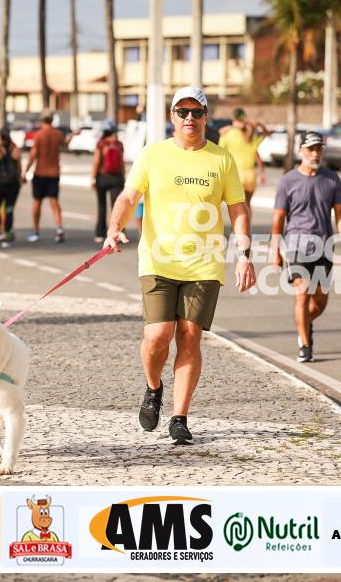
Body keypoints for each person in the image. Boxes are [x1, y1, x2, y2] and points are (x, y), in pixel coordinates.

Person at [104, 85, 256, 445]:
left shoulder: (221, 159)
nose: (190, 118)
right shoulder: (153, 154)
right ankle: (153, 387)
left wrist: (244, 254)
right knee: (157, 337)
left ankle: (179, 417)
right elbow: (129, 196)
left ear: (206, 117)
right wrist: (114, 228)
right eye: (183, 112)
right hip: (158, 260)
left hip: (204, 265)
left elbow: (238, 208)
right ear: (172, 116)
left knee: (190, 336)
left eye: (196, 112)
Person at [272, 131, 341, 363]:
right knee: (302, 293)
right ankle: (305, 346)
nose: (315, 153)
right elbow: (278, 218)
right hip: (296, 246)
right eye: (310, 149)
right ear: (301, 151)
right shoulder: (287, 181)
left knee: (320, 300)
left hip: (324, 246)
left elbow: (340, 213)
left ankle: (304, 325)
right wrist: (275, 250)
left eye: (319, 149)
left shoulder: (331, 179)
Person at [23, 113, 65, 242]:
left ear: (42, 121)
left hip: (40, 172)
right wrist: (73, 135)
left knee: (37, 201)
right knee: (54, 201)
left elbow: (33, 154)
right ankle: (59, 228)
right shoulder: (58, 134)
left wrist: (25, 172)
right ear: (52, 120)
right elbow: (65, 144)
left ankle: (36, 230)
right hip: (54, 173)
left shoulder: (39, 135)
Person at [219, 108, 266, 210]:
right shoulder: (250, 136)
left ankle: (241, 221)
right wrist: (262, 172)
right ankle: (248, 221)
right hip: (251, 175)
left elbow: (220, 155)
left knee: (239, 206)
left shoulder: (227, 133)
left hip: (237, 175)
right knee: (248, 204)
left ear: (233, 119)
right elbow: (257, 154)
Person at [91, 125, 126, 243]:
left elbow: (96, 161)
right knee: (116, 207)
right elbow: (122, 163)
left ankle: (100, 233)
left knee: (102, 206)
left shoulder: (101, 144)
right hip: (116, 178)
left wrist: (92, 178)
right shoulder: (119, 144)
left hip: (102, 177)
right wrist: (123, 178)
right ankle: (119, 232)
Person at [0, 128, 23, 247]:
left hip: (0, 183)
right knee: (9, 209)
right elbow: (19, 168)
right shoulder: (15, 149)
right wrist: (20, 180)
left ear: (1, 138)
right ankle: (8, 232)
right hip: (13, 184)